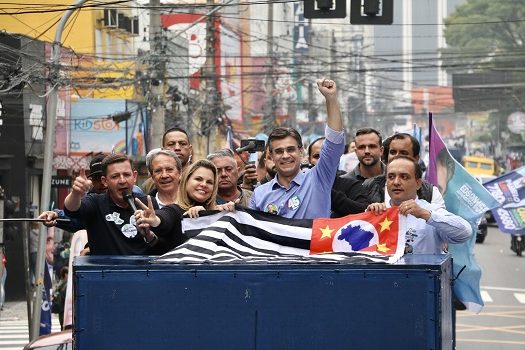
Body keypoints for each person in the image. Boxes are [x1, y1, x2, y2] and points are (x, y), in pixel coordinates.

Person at [249, 79, 345, 219]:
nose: (285, 155)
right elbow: (252, 233)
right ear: (270, 156)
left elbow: (334, 143)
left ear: (301, 151)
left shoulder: (319, 178)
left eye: (290, 149)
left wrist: (331, 99)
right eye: (279, 151)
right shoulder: (259, 195)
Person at [367, 156, 471, 254]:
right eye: (391, 177)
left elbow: (465, 232)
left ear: (418, 184)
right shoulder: (378, 211)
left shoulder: (429, 212)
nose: (396, 182)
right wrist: (368, 218)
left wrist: (426, 215)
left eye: (404, 177)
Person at [63, 153, 157, 255]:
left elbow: (161, 243)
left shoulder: (147, 203)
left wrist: (149, 234)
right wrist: (76, 193)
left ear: (134, 177)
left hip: (143, 269)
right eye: (115, 176)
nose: (122, 180)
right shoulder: (96, 202)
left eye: (126, 174)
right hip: (105, 269)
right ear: (105, 181)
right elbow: (71, 210)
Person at [135, 160, 235, 251]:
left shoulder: (220, 212)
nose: (204, 184)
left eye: (209, 182)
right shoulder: (175, 210)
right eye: (198, 179)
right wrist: (155, 220)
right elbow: (165, 217)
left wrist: (231, 213)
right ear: (186, 182)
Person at [364, 133, 445, 208]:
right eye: (393, 152)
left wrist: (424, 213)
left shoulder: (430, 193)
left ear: (416, 158)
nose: (396, 157)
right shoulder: (369, 187)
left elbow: (446, 221)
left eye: (403, 153)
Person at [307, 137, 369, 217]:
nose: (323, 161)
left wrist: (326, 192)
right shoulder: (300, 187)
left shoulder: (352, 186)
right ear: (309, 160)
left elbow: (365, 211)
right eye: (317, 156)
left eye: (328, 156)